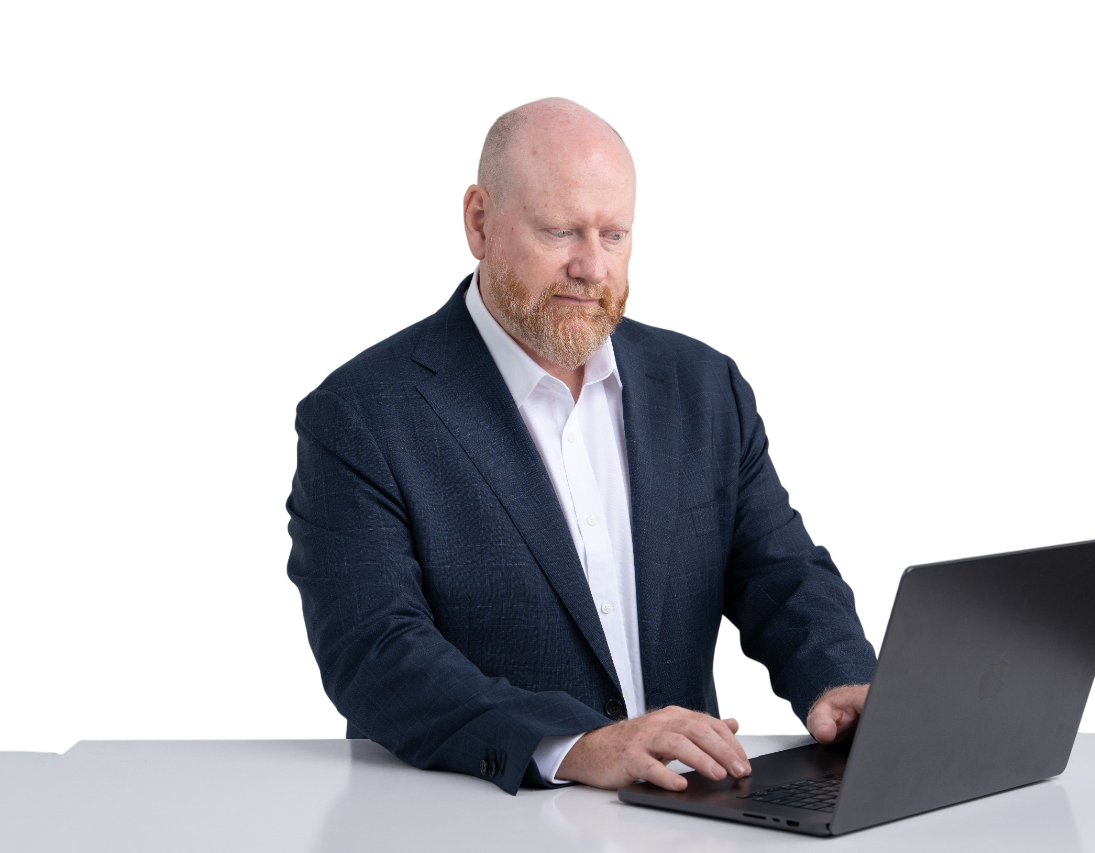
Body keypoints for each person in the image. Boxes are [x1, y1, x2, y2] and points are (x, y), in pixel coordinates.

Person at [285, 97, 878, 795]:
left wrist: (841, 679)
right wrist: (573, 746)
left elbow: (780, 571)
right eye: (561, 231)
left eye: (615, 235)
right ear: (478, 221)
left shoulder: (704, 384)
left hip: (689, 810)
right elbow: (374, 652)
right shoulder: (359, 413)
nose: (592, 267)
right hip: (479, 818)